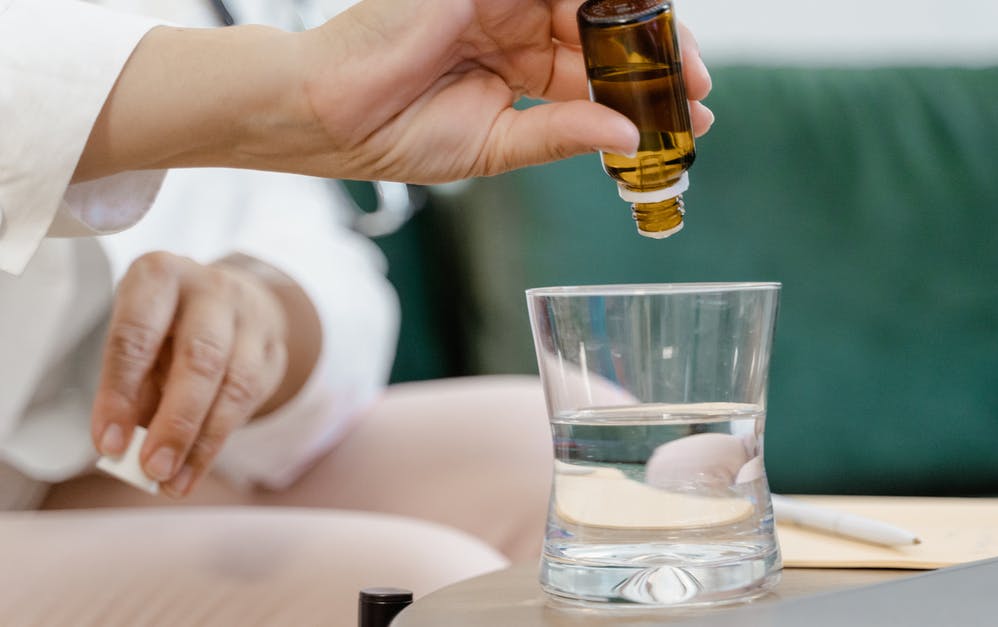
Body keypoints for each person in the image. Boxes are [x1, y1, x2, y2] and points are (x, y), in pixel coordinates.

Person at [0, 0, 713, 623]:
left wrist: (268, 312)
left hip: (85, 457)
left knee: (613, 466)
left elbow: (312, 237)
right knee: (427, 588)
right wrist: (284, 85)